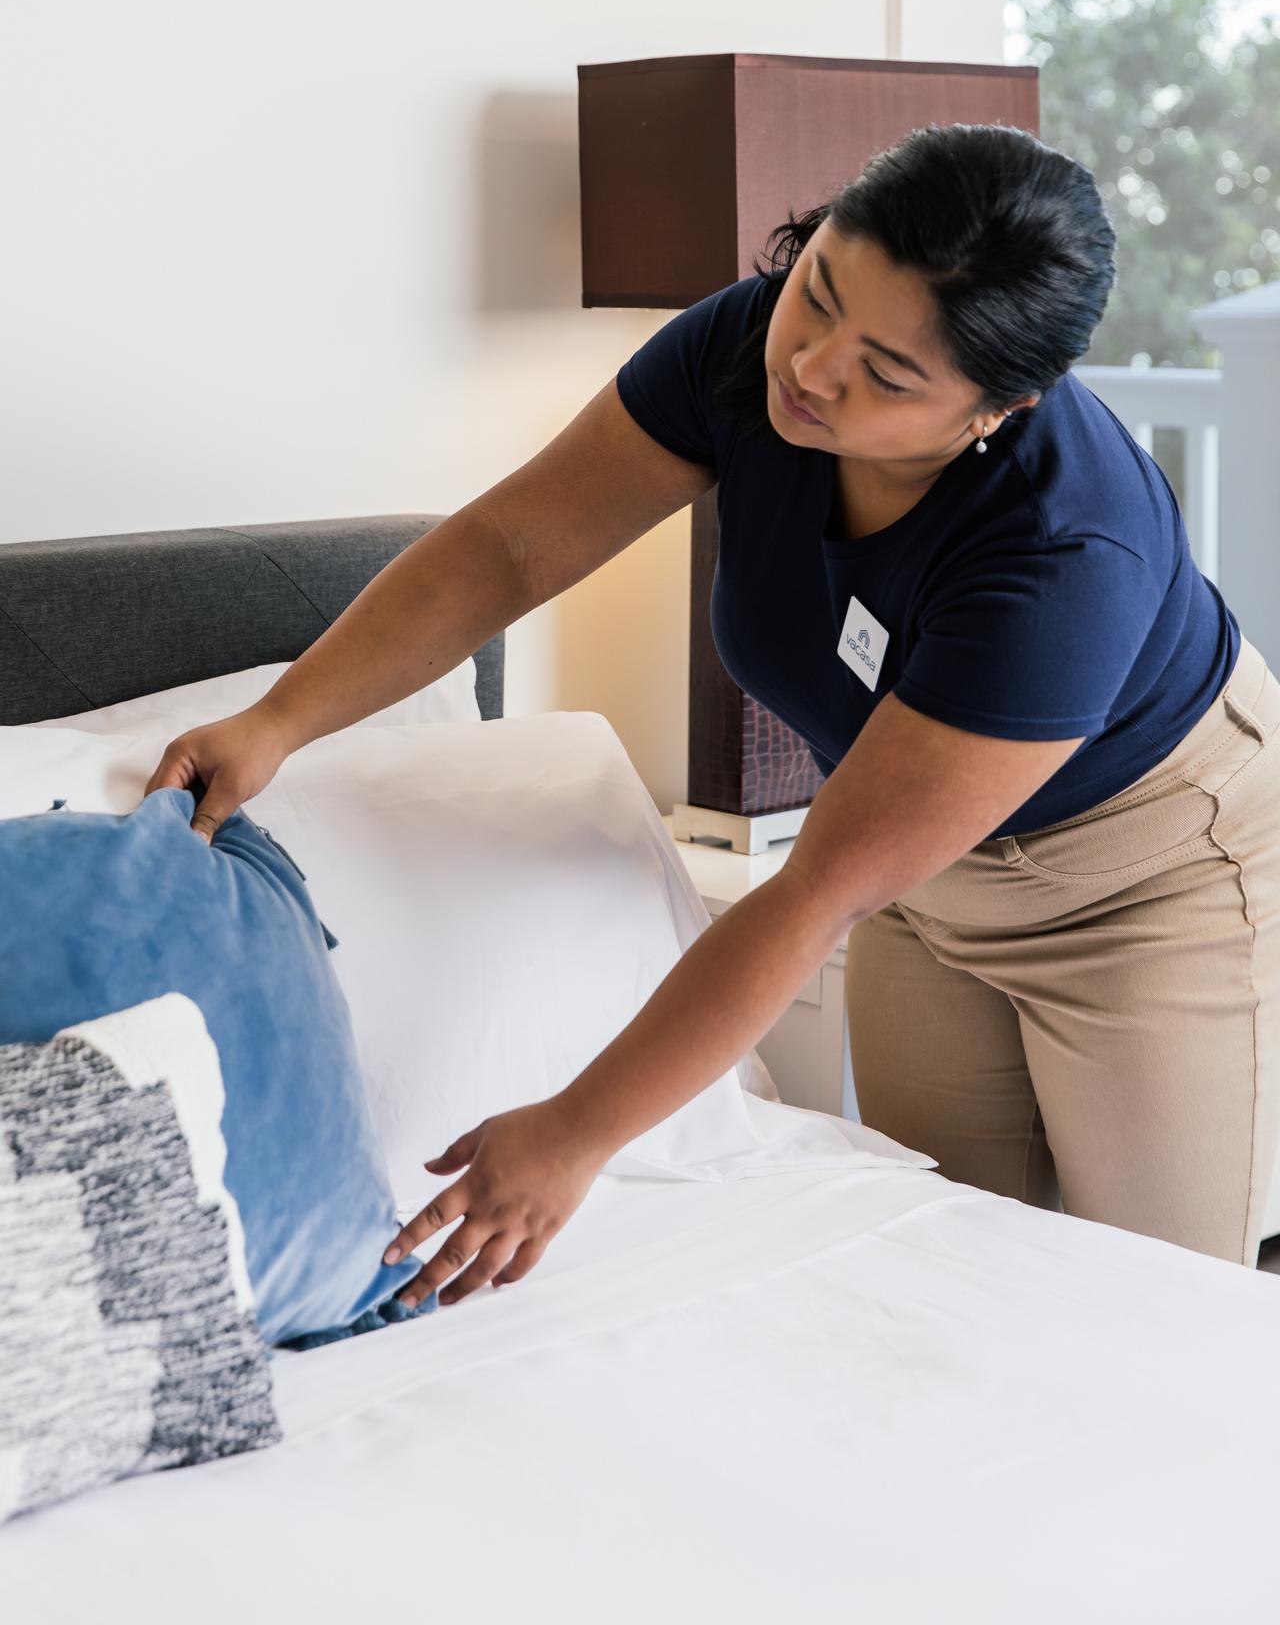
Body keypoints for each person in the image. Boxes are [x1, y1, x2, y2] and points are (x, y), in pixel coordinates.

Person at [144, 122, 1280, 1306]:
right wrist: (277, 722)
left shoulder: (1060, 558)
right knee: (942, 1273)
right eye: (819, 292)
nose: (813, 365)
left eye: (887, 373)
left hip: (1148, 881)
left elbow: (811, 892)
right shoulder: (745, 346)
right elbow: (505, 548)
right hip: (920, 888)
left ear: (996, 407)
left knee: (1158, 1310)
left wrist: (574, 1135)